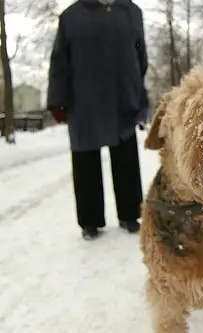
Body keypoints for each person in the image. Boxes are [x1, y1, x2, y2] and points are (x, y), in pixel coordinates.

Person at [47, 0, 149, 240]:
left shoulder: (131, 12)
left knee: (126, 156)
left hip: (122, 96)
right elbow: (60, 60)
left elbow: (139, 49)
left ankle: (130, 214)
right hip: (84, 99)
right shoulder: (71, 17)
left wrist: (135, 81)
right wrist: (58, 99)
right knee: (85, 161)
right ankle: (89, 221)